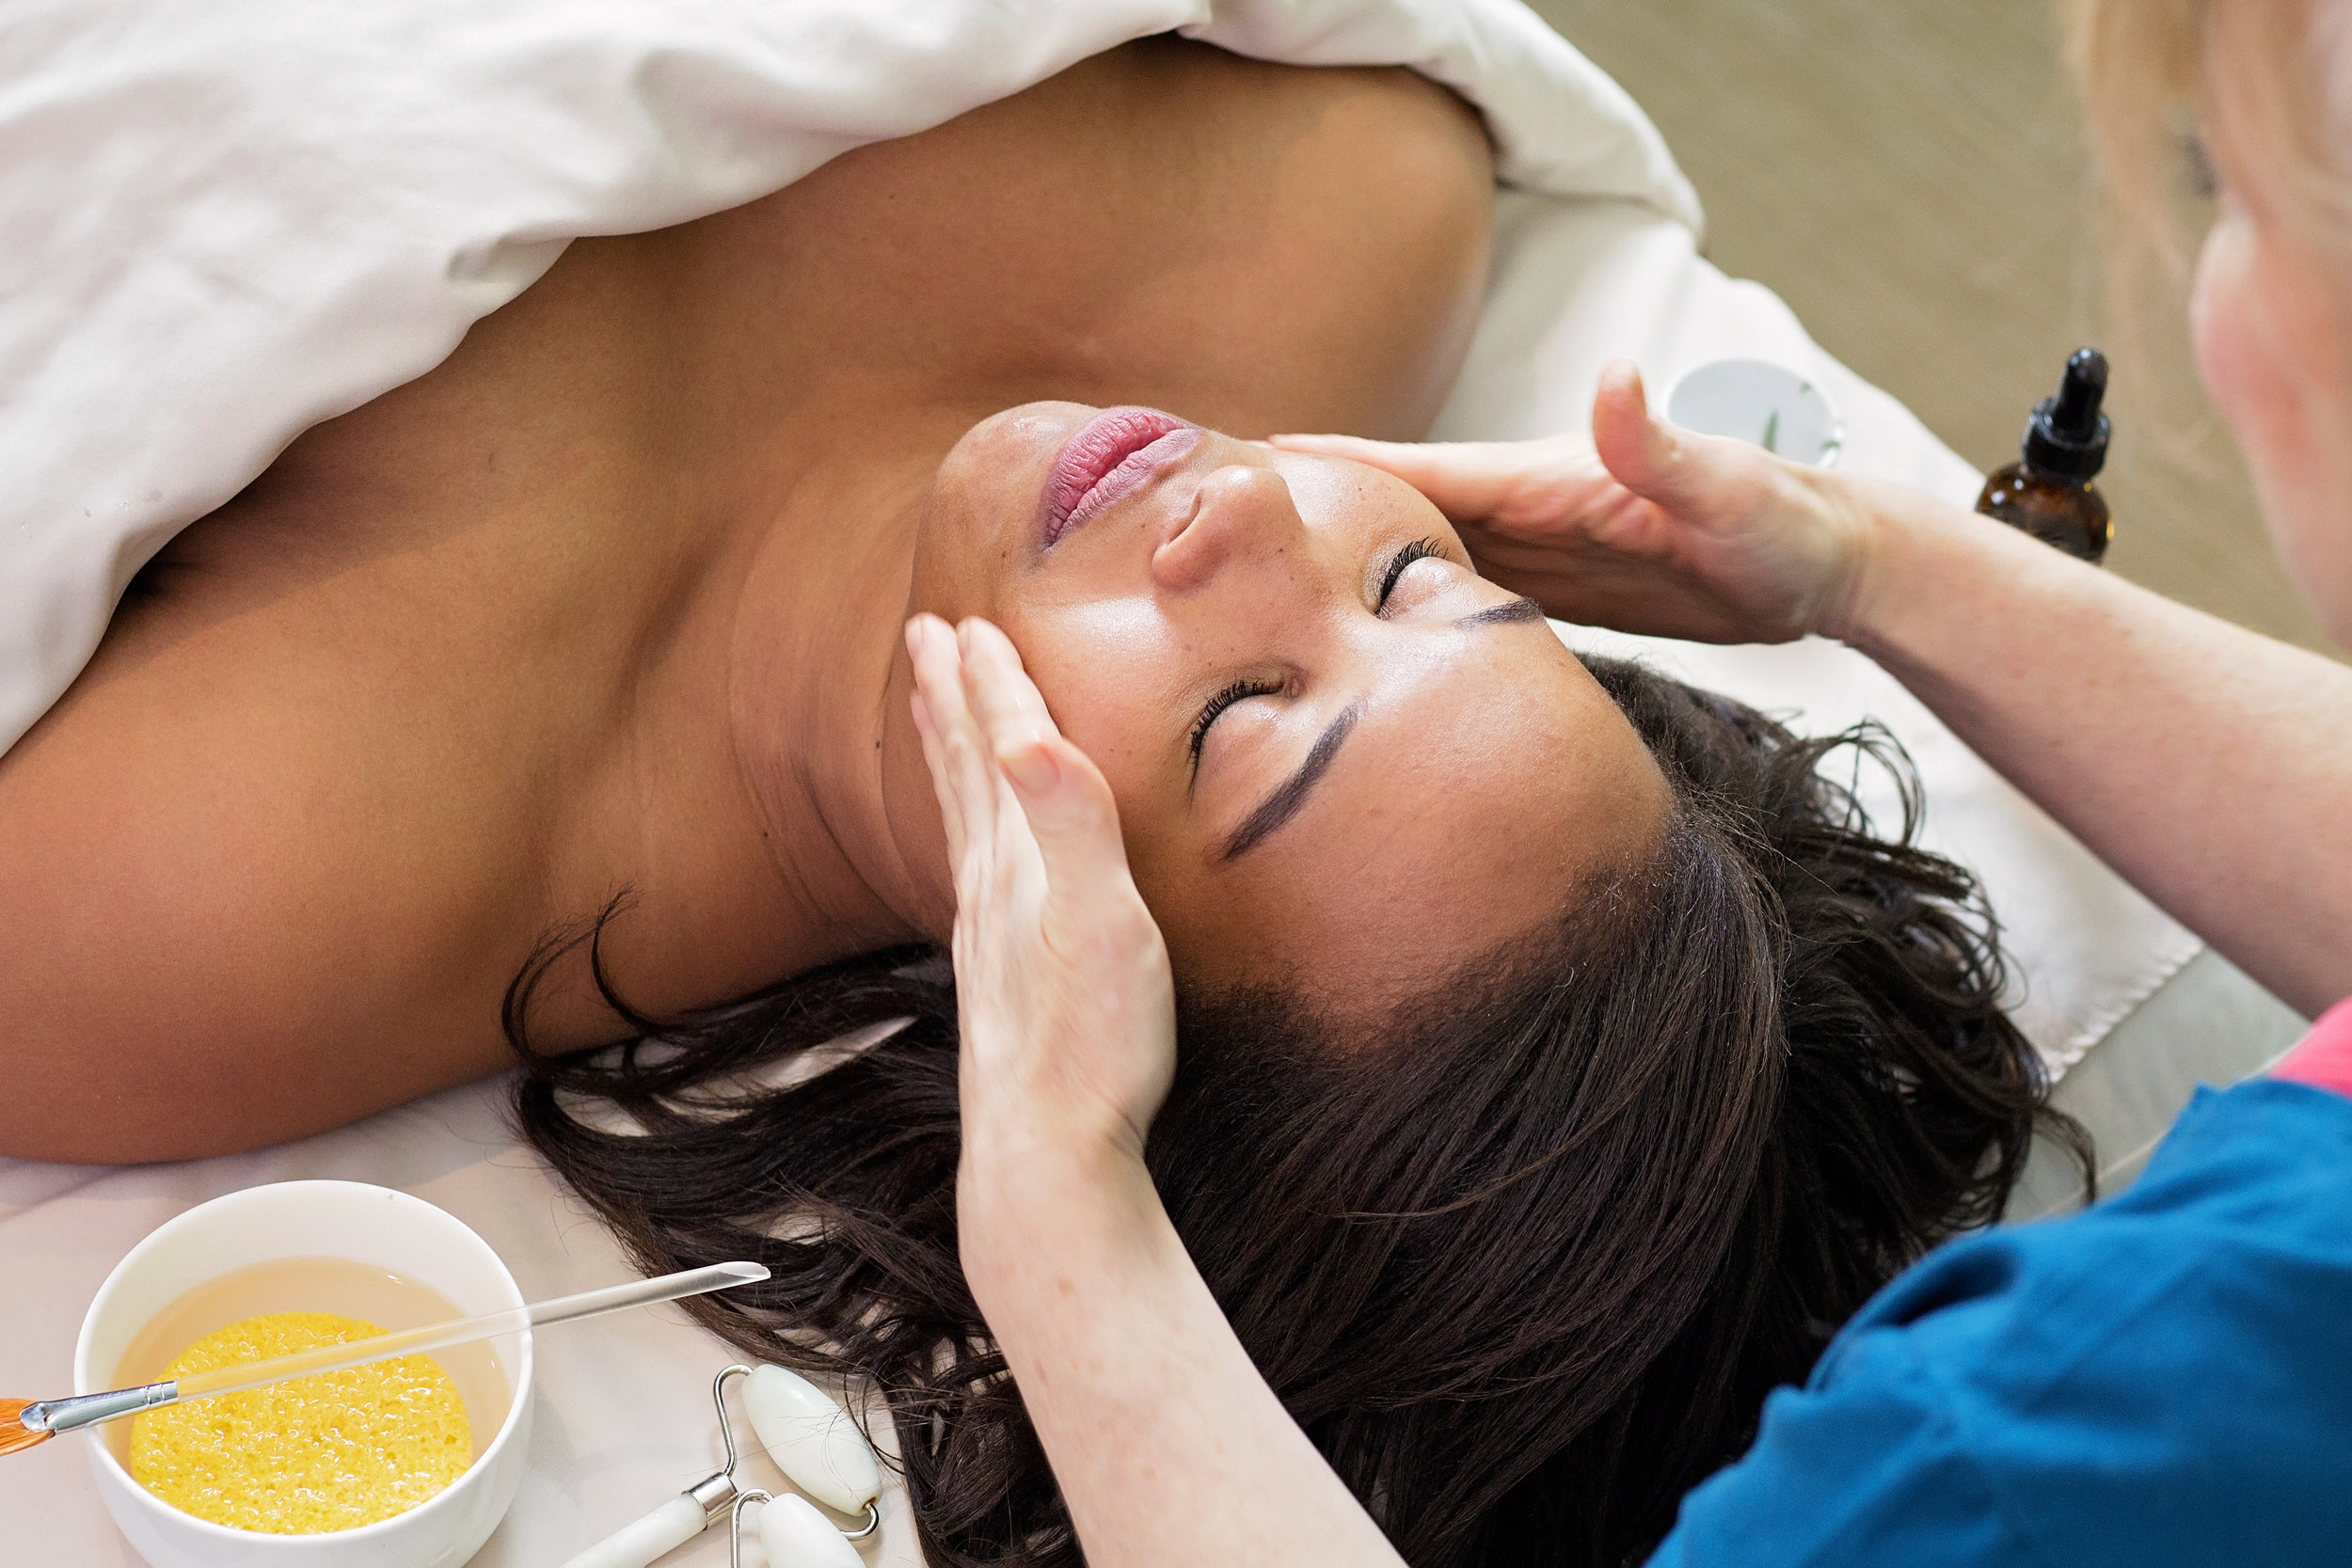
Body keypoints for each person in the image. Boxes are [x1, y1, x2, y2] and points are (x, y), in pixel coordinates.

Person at [912, 1, 2352, 1564]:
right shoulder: (1346, 186)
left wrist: (1063, 1214)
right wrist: (1867, 560)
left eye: (1241, 722)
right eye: (1415, 580)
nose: (1244, 494)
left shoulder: (1991, 1470)